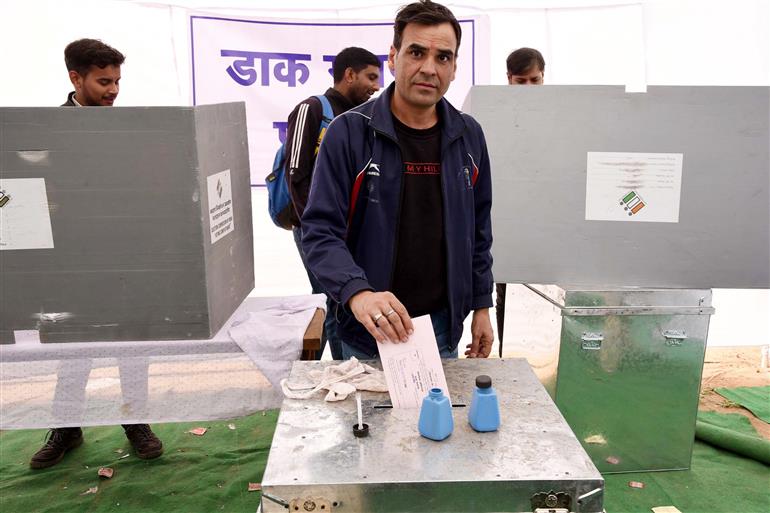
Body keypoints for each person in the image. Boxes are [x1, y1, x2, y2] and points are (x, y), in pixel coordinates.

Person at [300, 0, 494, 361]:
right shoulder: (349, 133)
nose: (429, 68)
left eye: (443, 57)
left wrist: (482, 305)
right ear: (393, 56)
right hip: (367, 330)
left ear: (454, 68)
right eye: (416, 52)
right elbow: (320, 232)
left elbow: (478, 231)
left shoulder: (469, 135)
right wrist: (358, 294)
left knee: (438, 419)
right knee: (366, 419)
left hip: (441, 328)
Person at [30, 39, 163, 469]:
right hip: (71, 260)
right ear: (75, 78)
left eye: (118, 81)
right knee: (72, 348)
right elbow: (31, 190)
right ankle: (66, 428)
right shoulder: (46, 129)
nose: (113, 90)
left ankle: (136, 421)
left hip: (125, 257)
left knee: (132, 343)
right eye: (104, 81)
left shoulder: (129, 128)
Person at [285, 47, 381, 361]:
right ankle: (338, 370)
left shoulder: (364, 118)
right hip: (317, 232)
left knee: (344, 298)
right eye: (370, 77)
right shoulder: (311, 108)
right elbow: (296, 175)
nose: (375, 85)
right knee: (331, 298)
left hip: (351, 232)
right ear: (349, 74)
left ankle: (345, 367)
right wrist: (315, 228)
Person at [496, 47, 546, 350]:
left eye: (534, 81)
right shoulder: (495, 114)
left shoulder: (560, 115)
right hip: (507, 223)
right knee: (505, 292)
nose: (528, 88)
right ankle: (506, 353)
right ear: (508, 80)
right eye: (520, 81)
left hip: (547, 222)